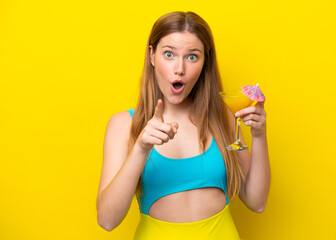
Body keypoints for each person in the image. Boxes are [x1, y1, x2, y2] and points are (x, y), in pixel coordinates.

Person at [96, 11, 270, 239]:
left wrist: (259, 135)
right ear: (152, 55)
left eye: (192, 57)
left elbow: (256, 202)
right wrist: (140, 148)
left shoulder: (221, 116)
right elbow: (107, 221)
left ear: (204, 61)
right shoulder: (124, 125)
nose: (179, 68)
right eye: (169, 54)